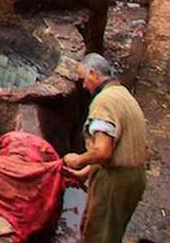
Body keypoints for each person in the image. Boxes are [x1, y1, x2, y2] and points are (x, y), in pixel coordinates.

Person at [63, 53, 147, 243]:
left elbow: (103, 151)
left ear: (93, 73)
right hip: (134, 177)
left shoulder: (104, 102)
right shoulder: (121, 93)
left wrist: (78, 160)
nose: (84, 86)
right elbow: (116, 147)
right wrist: (84, 173)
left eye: (84, 80)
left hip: (115, 180)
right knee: (110, 231)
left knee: (99, 236)